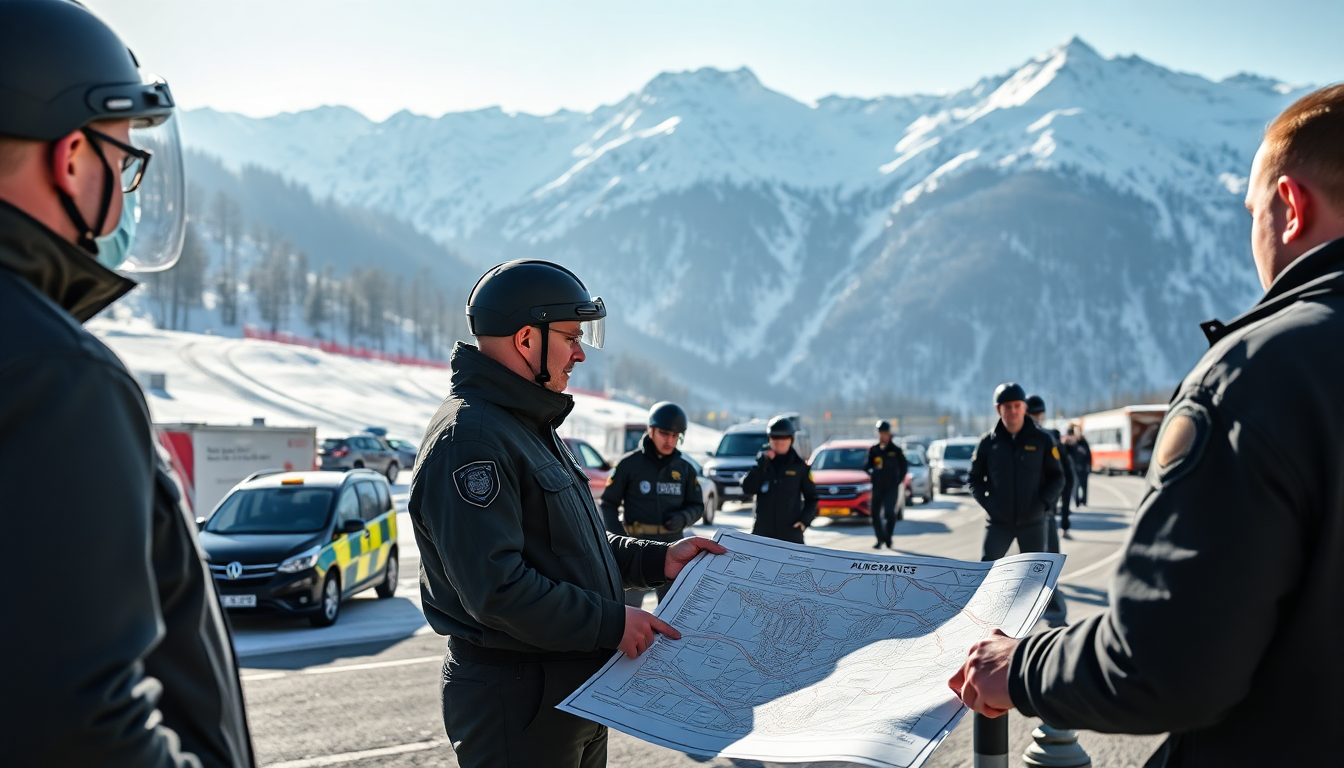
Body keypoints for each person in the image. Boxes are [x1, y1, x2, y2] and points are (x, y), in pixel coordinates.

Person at [949, 85, 1344, 768]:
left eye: (1251, 213)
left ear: (1289, 206)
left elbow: (1167, 664)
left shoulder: (1263, 375)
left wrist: (1021, 667)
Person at [0, 2, 254, 765]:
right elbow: (79, 724)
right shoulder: (57, 375)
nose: (126, 187)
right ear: (71, 156)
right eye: (122, 160)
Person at [409, 260, 726, 768]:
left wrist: (659, 561)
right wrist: (612, 622)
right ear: (525, 339)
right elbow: (497, 589)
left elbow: (572, 545)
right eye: (571, 337)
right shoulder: (472, 441)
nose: (580, 353)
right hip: (518, 699)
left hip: (567, 690)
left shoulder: (527, 424)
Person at [600, 401, 705, 607]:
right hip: (636, 551)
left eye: (675, 436)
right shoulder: (629, 465)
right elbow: (608, 503)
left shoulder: (685, 469)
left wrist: (684, 517)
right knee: (629, 611)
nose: (670, 440)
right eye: (665, 434)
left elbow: (697, 506)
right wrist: (619, 539)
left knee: (672, 612)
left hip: (673, 547)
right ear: (651, 430)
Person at [968, 383, 1065, 562]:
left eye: (1017, 405)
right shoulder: (988, 443)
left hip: (1033, 522)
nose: (1013, 410)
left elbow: (1057, 477)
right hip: (999, 523)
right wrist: (989, 505)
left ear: (1024, 407)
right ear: (998, 409)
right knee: (986, 573)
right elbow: (974, 478)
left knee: (1035, 578)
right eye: (1007, 406)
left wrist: (1042, 503)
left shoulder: (1043, 440)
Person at [1026, 394, 1070, 625]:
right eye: (1031, 415)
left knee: (1049, 559)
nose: (1034, 419)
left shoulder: (1050, 438)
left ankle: (1053, 608)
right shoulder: (1017, 438)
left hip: (1045, 509)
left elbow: (1064, 475)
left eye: (1036, 415)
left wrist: (1058, 509)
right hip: (1026, 512)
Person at [742, 415, 818, 544]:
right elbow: (748, 488)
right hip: (762, 535)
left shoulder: (800, 467)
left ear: (791, 439)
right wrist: (761, 465)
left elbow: (812, 498)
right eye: (775, 437)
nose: (779, 441)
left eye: (784, 437)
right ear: (769, 439)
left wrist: (804, 522)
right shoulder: (762, 464)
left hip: (791, 535)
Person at [865, 420, 908, 549]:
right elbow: (866, 466)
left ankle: (888, 538)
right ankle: (879, 539)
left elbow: (904, 467)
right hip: (877, 486)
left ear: (889, 434)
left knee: (890, 513)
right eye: (880, 433)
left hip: (891, 487)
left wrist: (898, 480)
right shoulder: (874, 450)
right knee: (875, 513)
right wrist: (871, 472)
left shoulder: (896, 451)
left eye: (884, 433)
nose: (882, 436)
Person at [1066, 426, 1091, 508]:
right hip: (1075, 467)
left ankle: (1084, 500)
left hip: (1084, 467)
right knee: (1076, 485)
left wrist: (1089, 466)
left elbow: (1089, 455)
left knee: (1084, 486)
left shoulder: (1084, 442)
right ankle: (1076, 501)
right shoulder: (1072, 442)